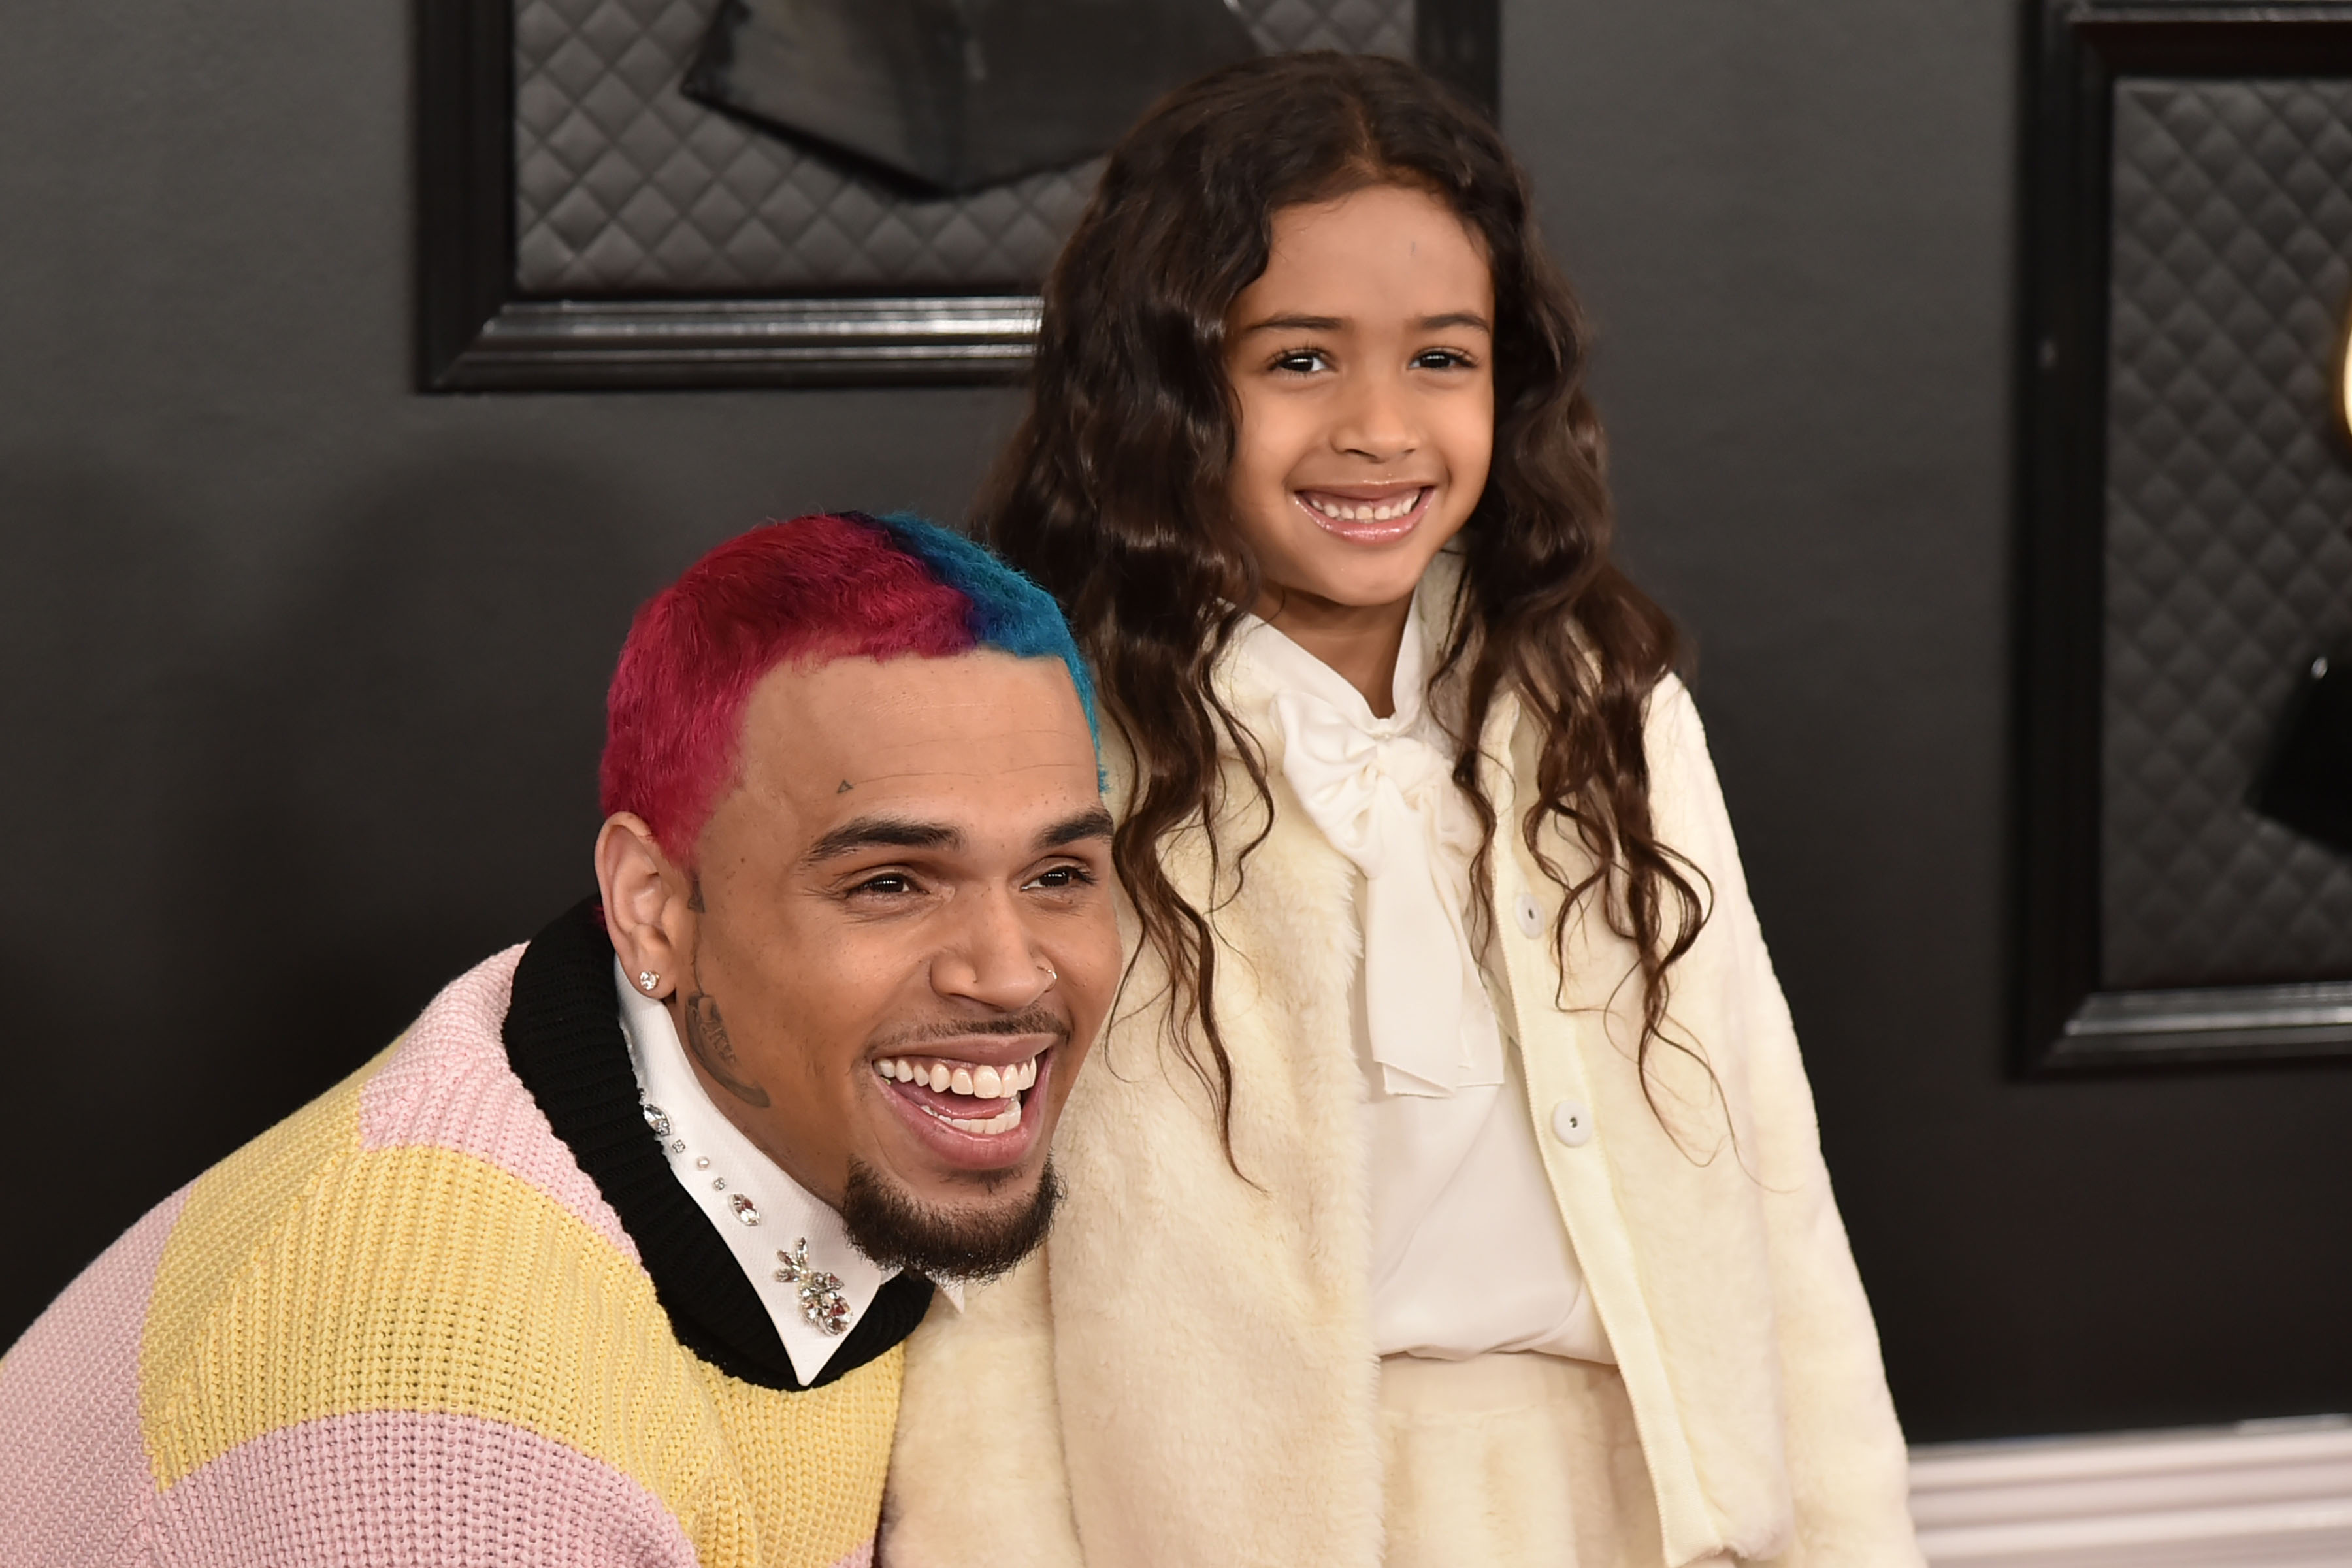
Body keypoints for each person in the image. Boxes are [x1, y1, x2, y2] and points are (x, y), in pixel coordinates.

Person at [883, 54, 1925, 1568]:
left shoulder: (1615, 724)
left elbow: (1774, 1186)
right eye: (1300, 361)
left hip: (1635, 1516)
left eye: (1442, 360)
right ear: (1169, 388)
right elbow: (983, 1307)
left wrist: (1851, 1543)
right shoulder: (1053, 761)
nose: (1382, 429)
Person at [0, 512, 1120, 1568]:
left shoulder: (825, 1127)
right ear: (652, 908)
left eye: (1059, 874)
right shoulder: (440, 1436)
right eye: (889, 883)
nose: (1013, 971)